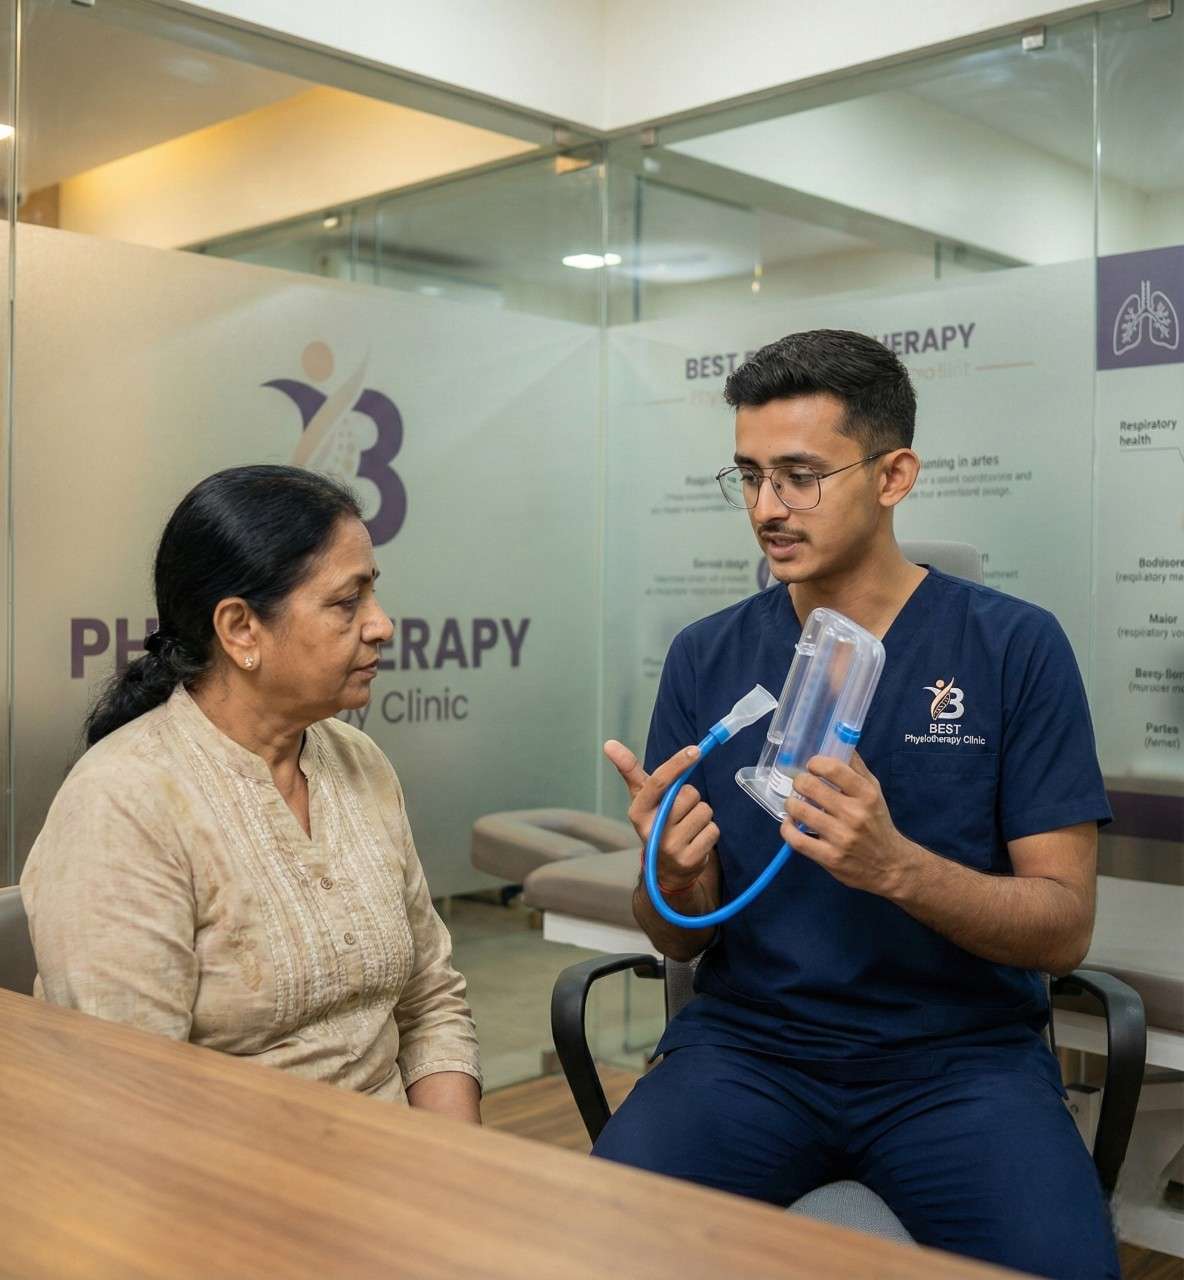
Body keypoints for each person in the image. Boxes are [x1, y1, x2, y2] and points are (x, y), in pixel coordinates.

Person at [597, 331, 1118, 1278]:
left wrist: (898, 869)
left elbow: (1063, 928)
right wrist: (671, 876)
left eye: (799, 476)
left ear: (894, 474)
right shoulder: (707, 657)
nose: (766, 508)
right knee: (583, 1246)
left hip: (957, 1064)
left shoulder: (1011, 650)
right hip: (750, 1052)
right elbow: (673, 937)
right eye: (749, 476)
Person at [22, 465, 481, 1121]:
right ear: (240, 629)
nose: (381, 626)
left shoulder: (359, 763)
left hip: (398, 1173)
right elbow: (131, 1102)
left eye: (372, 596)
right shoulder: (123, 801)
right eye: (347, 603)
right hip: (221, 1195)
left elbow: (430, 1002)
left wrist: (457, 1171)